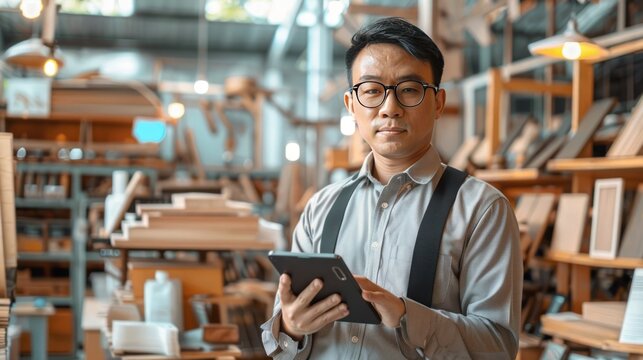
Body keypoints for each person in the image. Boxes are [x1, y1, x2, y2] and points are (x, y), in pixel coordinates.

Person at [261, 17, 522, 359]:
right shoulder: (320, 208)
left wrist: (404, 314)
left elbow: (498, 347)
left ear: (438, 103)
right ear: (351, 105)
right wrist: (291, 327)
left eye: (409, 90)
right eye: (371, 91)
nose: (389, 108)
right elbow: (280, 340)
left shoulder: (481, 210)